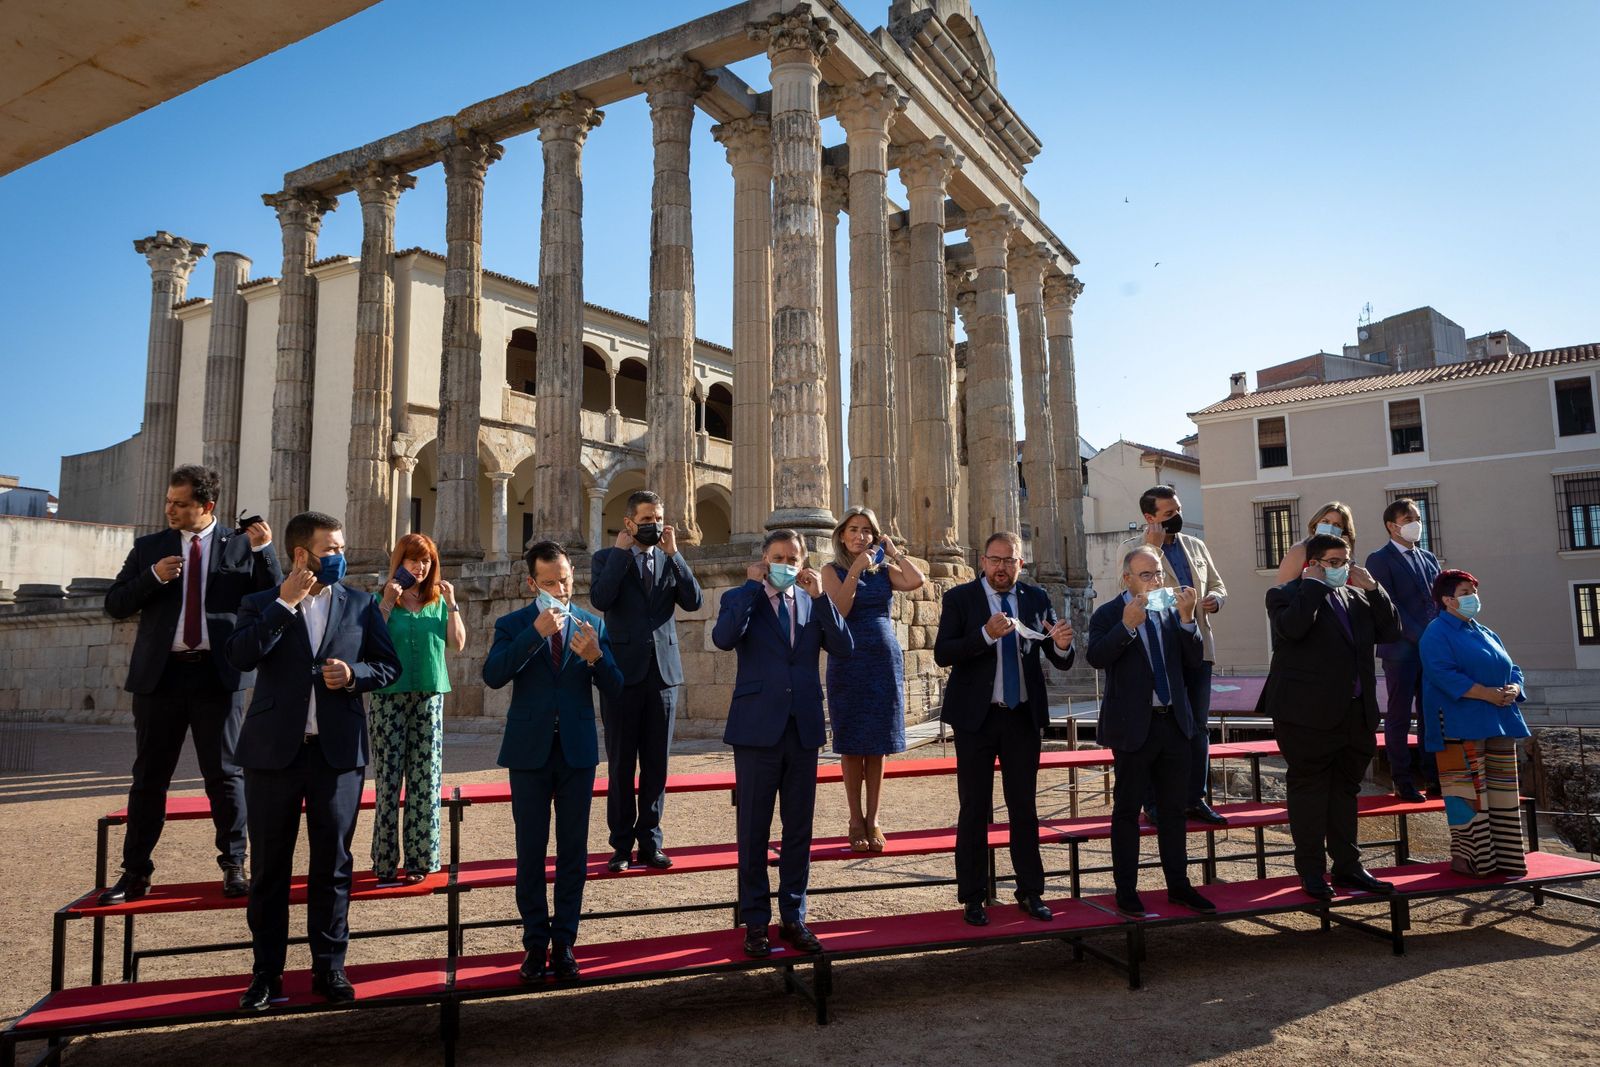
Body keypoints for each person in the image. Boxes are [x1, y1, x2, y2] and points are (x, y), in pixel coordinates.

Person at [225, 512, 401, 1009]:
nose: (340, 555)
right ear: (302, 554)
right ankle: (266, 975)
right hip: (272, 755)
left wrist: (354, 675)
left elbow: (388, 666)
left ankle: (330, 969)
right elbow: (240, 656)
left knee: (334, 865)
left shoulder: (361, 604)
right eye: (331, 549)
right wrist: (285, 604)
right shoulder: (260, 602)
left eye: (341, 547)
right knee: (269, 870)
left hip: (337, 754)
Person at [100, 465, 282, 905]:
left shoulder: (240, 545)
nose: (170, 509)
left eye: (180, 504)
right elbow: (115, 604)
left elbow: (274, 597)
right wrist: (153, 577)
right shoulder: (149, 548)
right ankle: (135, 873)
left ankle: (234, 864)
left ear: (207, 505)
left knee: (225, 775)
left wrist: (265, 550)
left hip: (217, 675)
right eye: (169, 501)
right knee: (149, 778)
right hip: (159, 677)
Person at [484, 540, 622, 983]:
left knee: (573, 853)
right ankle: (534, 944)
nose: (560, 590)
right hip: (528, 752)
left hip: (577, 753)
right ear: (532, 584)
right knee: (530, 852)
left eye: (564, 581)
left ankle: (564, 942)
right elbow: (493, 675)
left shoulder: (592, 623)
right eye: (549, 583)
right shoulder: (513, 624)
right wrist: (534, 634)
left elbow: (617, 688)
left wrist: (595, 658)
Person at [711, 529, 853, 959]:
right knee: (753, 830)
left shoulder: (812, 602)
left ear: (803, 562)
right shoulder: (741, 597)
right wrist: (752, 587)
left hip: (802, 729)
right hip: (756, 730)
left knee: (798, 830)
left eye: (793, 559)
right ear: (764, 559)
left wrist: (822, 597)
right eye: (778, 557)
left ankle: (794, 916)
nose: (786, 565)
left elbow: (844, 646)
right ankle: (756, 922)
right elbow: (724, 637)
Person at [933, 531, 1075, 927]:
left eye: (1009, 560)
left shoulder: (1036, 598)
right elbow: (943, 652)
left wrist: (1063, 644)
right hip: (975, 720)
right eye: (995, 560)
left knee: (1024, 807)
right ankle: (973, 896)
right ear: (982, 562)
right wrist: (984, 635)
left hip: (1022, 717)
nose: (1001, 567)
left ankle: (1030, 891)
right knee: (974, 808)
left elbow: (1058, 658)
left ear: (1020, 564)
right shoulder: (960, 598)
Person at [1262, 533, 1401, 901]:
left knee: (1345, 791)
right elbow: (1292, 629)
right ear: (1313, 564)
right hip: (1305, 715)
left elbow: (1391, 631)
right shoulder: (1285, 594)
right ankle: (1311, 871)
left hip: (1355, 713)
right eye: (1334, 563)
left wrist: (1375, 590)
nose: (1343, 569)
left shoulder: (1357, 598)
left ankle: (1348, 865)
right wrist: (1312, 585)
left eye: (1346, 562)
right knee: (1309, 793)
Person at [1086, 545, 1217, 918]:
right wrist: (1127, 626)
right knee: (1127, 811)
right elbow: (1096, 657)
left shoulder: (1171, 610)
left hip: (1174, 725)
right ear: (1127, 578)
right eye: (1147, 574)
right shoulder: (1108, 613)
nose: (1156, 580)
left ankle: (1179, 886)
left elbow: (1193, 661)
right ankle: (1126, 891)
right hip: (1133, 729)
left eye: (1158, 572)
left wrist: (1188, 620)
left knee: (1174, 811)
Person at [589, 490, 702, 873]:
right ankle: (621, 846)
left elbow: (694, 601)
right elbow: (601, 599)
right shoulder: (606, 558)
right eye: (647, 519)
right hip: (621, 675)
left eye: (658, 518)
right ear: (629, 522)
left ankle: (651, 843)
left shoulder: (670, 559)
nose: (654, 525)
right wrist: (621, 554)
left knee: (657, 765)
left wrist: (676, 555)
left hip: (663, 675)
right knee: (621, 765)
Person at [1122, 485, 1229, 825]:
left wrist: (1215, 599)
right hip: (1159, 651)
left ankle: (1195, 798)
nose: (1177, 517)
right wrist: (1153, 549)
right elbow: (1127, 597)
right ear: (1149, 517)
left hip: (1198, 645)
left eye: (1178, 510)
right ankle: (1153, 802)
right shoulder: (1132, 550)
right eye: (1169, 514)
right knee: (1158, 727)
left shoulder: (1195, 545)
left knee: (1198, 726)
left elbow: (1218, 584)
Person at [821, 505, 926, 852]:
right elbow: (840, 610)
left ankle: (874, 818)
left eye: (866, 530)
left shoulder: (884, 571)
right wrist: (855, 570)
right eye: (853, 529)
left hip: (882, 660)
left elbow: (916, 580)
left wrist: (894, 552)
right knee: (852, 744)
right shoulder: (831, 570)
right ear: (841, 535)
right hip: (848, 661)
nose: (860, 536)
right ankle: (855, 819)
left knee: (878, 745)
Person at [1419, 569, 1530, 877]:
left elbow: (1512, 667)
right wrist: (1486, 693)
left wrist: (1514, 688)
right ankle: (1471, 859)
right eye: (1465, 593)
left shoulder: (1484, 631)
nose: (1473, 598)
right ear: (1447, 600)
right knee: (1467, 794)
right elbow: (1442, 673)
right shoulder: (1436, 632)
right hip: (1459, 723)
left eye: (1474, 591)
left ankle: (1507, 858)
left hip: (1499, 720)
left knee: (1502, 791)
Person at [371, 533, 465, 885]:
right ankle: (384, 862)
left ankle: (420, 860)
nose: (420, 567)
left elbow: (457, 643)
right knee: (388, 781)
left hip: (429, 696)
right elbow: (369, 641)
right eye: (413, 560)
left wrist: (452, 604)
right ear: (400, 561)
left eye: (426, 561)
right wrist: (386, 601)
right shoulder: (380, 599)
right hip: (388, 696)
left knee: (426, 781)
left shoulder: (438, 601)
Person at [1365, 498, 1442, 803]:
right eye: (1408, 519)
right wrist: (1423, 637)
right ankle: (1402, 780)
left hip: (1430, 651)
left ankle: (1433, 777)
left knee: (1430, 715)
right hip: (1400, 651)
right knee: (1399, 716)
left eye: (1417, 518)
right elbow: (1389, 605)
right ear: (1391, 526)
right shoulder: (1379, 559)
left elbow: (1438, 600)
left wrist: (1439, 637)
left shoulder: (1428, 558)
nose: (1415, 524)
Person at [1275, 501, 1358, 585]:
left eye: (1337, 525)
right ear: (1315, 525)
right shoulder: (1300, 550)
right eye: (1325, 521)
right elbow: (1283, 588)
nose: (1330, 527)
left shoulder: (1346, 559)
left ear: (1344, 532)